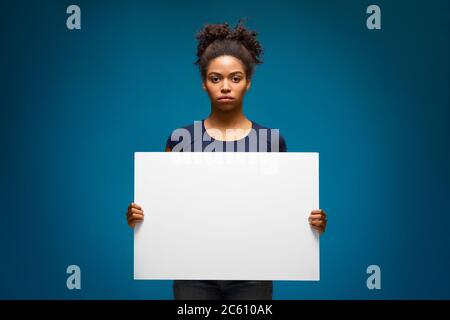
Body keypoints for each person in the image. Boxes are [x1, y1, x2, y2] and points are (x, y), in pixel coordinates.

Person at [126, 21, 327, 300]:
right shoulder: (181, 139)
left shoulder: (271, 142)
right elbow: (165, 205)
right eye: (215, 78)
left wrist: (311, 223)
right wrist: (140, 217)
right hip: (192, 272)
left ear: (248, 82)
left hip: (253, 273)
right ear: (204, 83)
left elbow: (282, 207)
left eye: (235, 78)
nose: (225, 87)